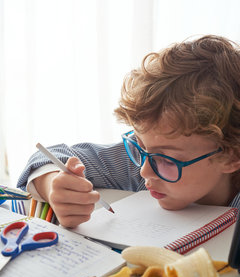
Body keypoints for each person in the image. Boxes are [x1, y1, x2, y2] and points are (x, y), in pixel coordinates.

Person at [17, 35, 240, 228]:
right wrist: (54, 187)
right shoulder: (138, 165)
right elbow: (48, 156)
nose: (144, 172)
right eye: (139, 146)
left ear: (232, 156)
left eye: (167, 160)